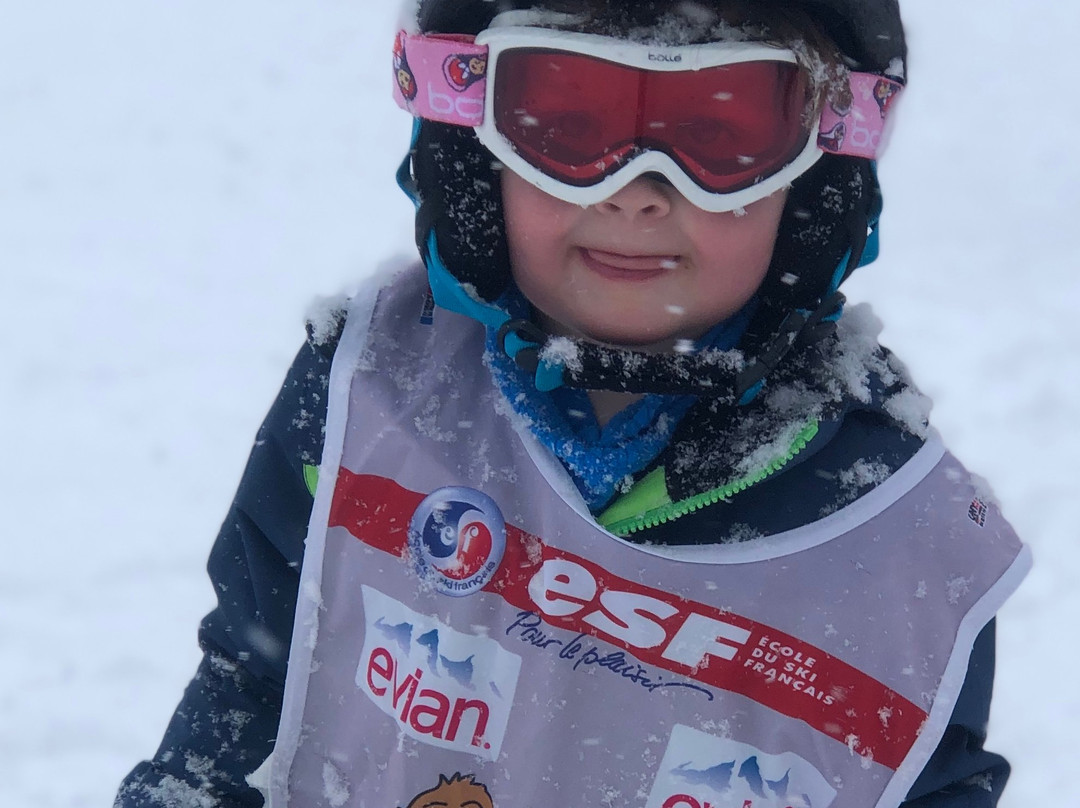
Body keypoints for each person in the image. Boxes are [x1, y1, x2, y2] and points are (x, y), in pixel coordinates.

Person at [115, 1, 1031, 806]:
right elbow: (252, 684)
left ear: (816, 175)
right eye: (566, 124)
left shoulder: (904, 546)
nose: (635, 193)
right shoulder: (369, 387)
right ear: (476, 146)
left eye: (722, 136)